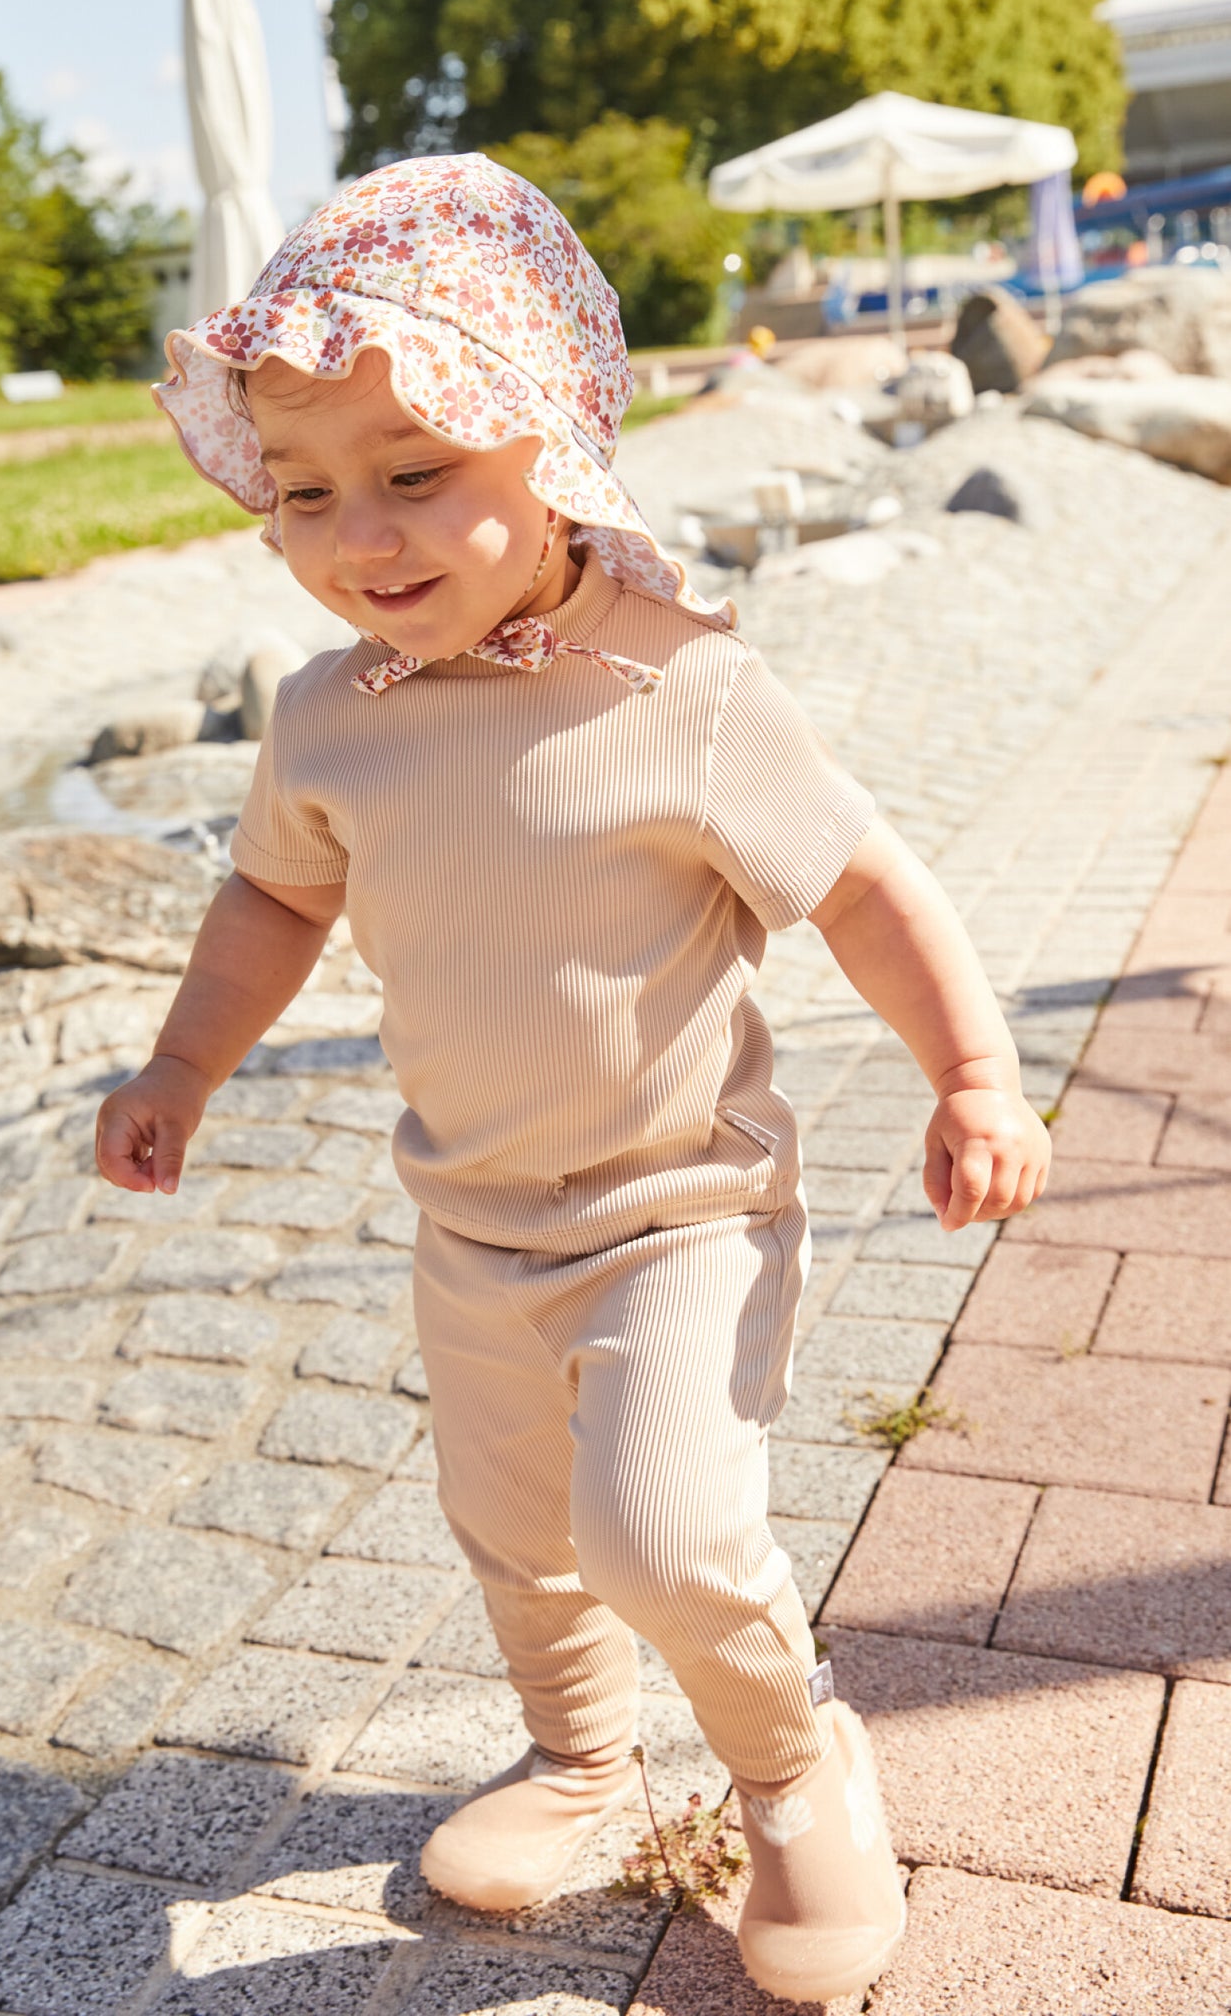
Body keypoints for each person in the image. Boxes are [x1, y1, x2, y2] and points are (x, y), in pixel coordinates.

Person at [96, 154, 1050, 2004]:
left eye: (419, 477)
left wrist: (976, 1075)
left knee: (663, 1526)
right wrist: (179, 1063)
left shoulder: (673, 687)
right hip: (470, 1217)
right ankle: (583, 1762)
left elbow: (860, 883)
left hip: (680, 1208)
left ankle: (791, 1769)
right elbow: (267, 901)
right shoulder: (326, 717)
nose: (360, 537)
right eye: (305, 494)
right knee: (521, 1536)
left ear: (549, 444)